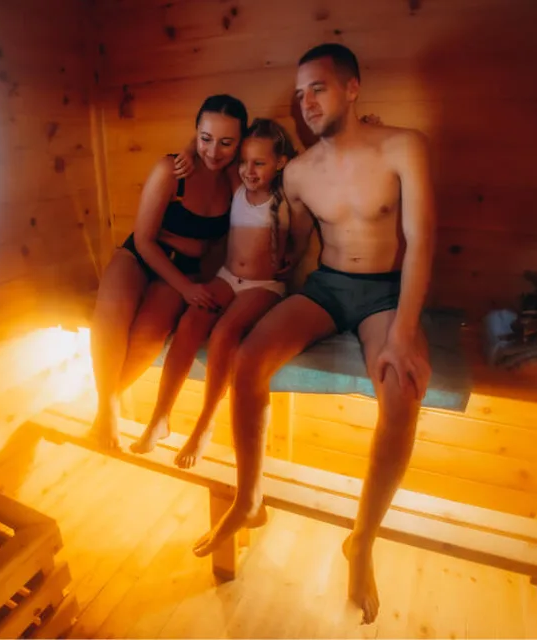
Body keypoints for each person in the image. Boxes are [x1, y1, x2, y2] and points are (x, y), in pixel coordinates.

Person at [191, 44, 436, 626]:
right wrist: (261, 274)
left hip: (384, 292)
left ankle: (362, 540)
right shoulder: (299, 172)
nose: (306, 103)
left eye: (318, 88)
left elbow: (423, 239)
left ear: (352, 88)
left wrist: (404, 331)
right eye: (300, 94)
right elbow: (294, 242)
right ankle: (249, 497)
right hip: (327, 285)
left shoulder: (403, 146)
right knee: (250, 359)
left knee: (401, 391)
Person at [129, 119, 314, 468]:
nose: (248, 171)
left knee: (225, 332)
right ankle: (161, 416)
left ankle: (205, 424)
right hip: (227, 278)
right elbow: (211, 152)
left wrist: (295, 254)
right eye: (244, 162)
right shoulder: (236, 184)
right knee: (190, 322)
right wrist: (188, 149)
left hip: (264, 286)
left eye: (259, 163)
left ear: (280, 163)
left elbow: (303, 231)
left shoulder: (288, 193)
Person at [89, 95, 248, 451]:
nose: (213, 151)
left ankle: (104, 407)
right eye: (205, 139)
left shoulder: (235, 183)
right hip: (140, 256)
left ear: (240, 143)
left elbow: (215, 244)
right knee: (111, 314)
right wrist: (187, 287)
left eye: (226, 142)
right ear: (196, 132)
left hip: (182, 270)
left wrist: (194, 262)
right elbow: (144, 239)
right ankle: (107, 412)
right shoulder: (173, 170)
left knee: (150, 333)